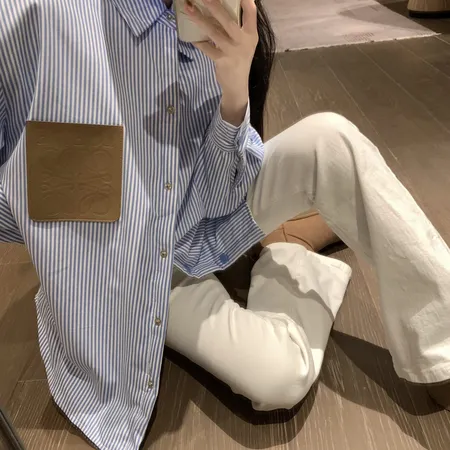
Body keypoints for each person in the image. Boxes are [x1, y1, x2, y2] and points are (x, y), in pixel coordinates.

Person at [1, 1, 449, 449]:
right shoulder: (33, 16)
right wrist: (66, 228)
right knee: (278, 374)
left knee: (332, 140)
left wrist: (234, 91)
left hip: (202, 220)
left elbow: (216, 196)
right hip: (134, 270)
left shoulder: (203, 18)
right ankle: (290, 242)